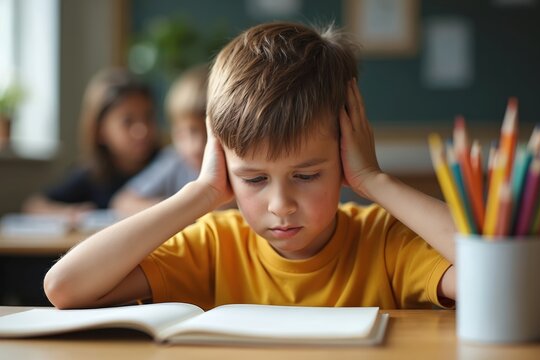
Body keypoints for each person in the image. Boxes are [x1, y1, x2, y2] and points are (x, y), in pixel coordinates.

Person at [44, 22, 456, 310]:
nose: (281, 205)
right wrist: (201, 193)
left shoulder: (386, 245)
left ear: (348, 154)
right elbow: (65, 287)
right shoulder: (214, 246)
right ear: (223, 160)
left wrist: (375, 180)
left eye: (307, 175)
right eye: (254, 178)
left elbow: (510, 284)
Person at [23, 68, 160, 224]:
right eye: (127, 121)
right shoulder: (91, 174)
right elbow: (34, 206)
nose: (142, 130)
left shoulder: (168, 164)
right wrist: (69, 214)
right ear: (100, 131)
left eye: (148, 117)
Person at [111, 65, 208, 216]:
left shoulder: (239, 166)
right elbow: (123, 202)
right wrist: (177, 208)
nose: (197, 146)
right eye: (187, 132)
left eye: (209, 134)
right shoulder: (173, 161)